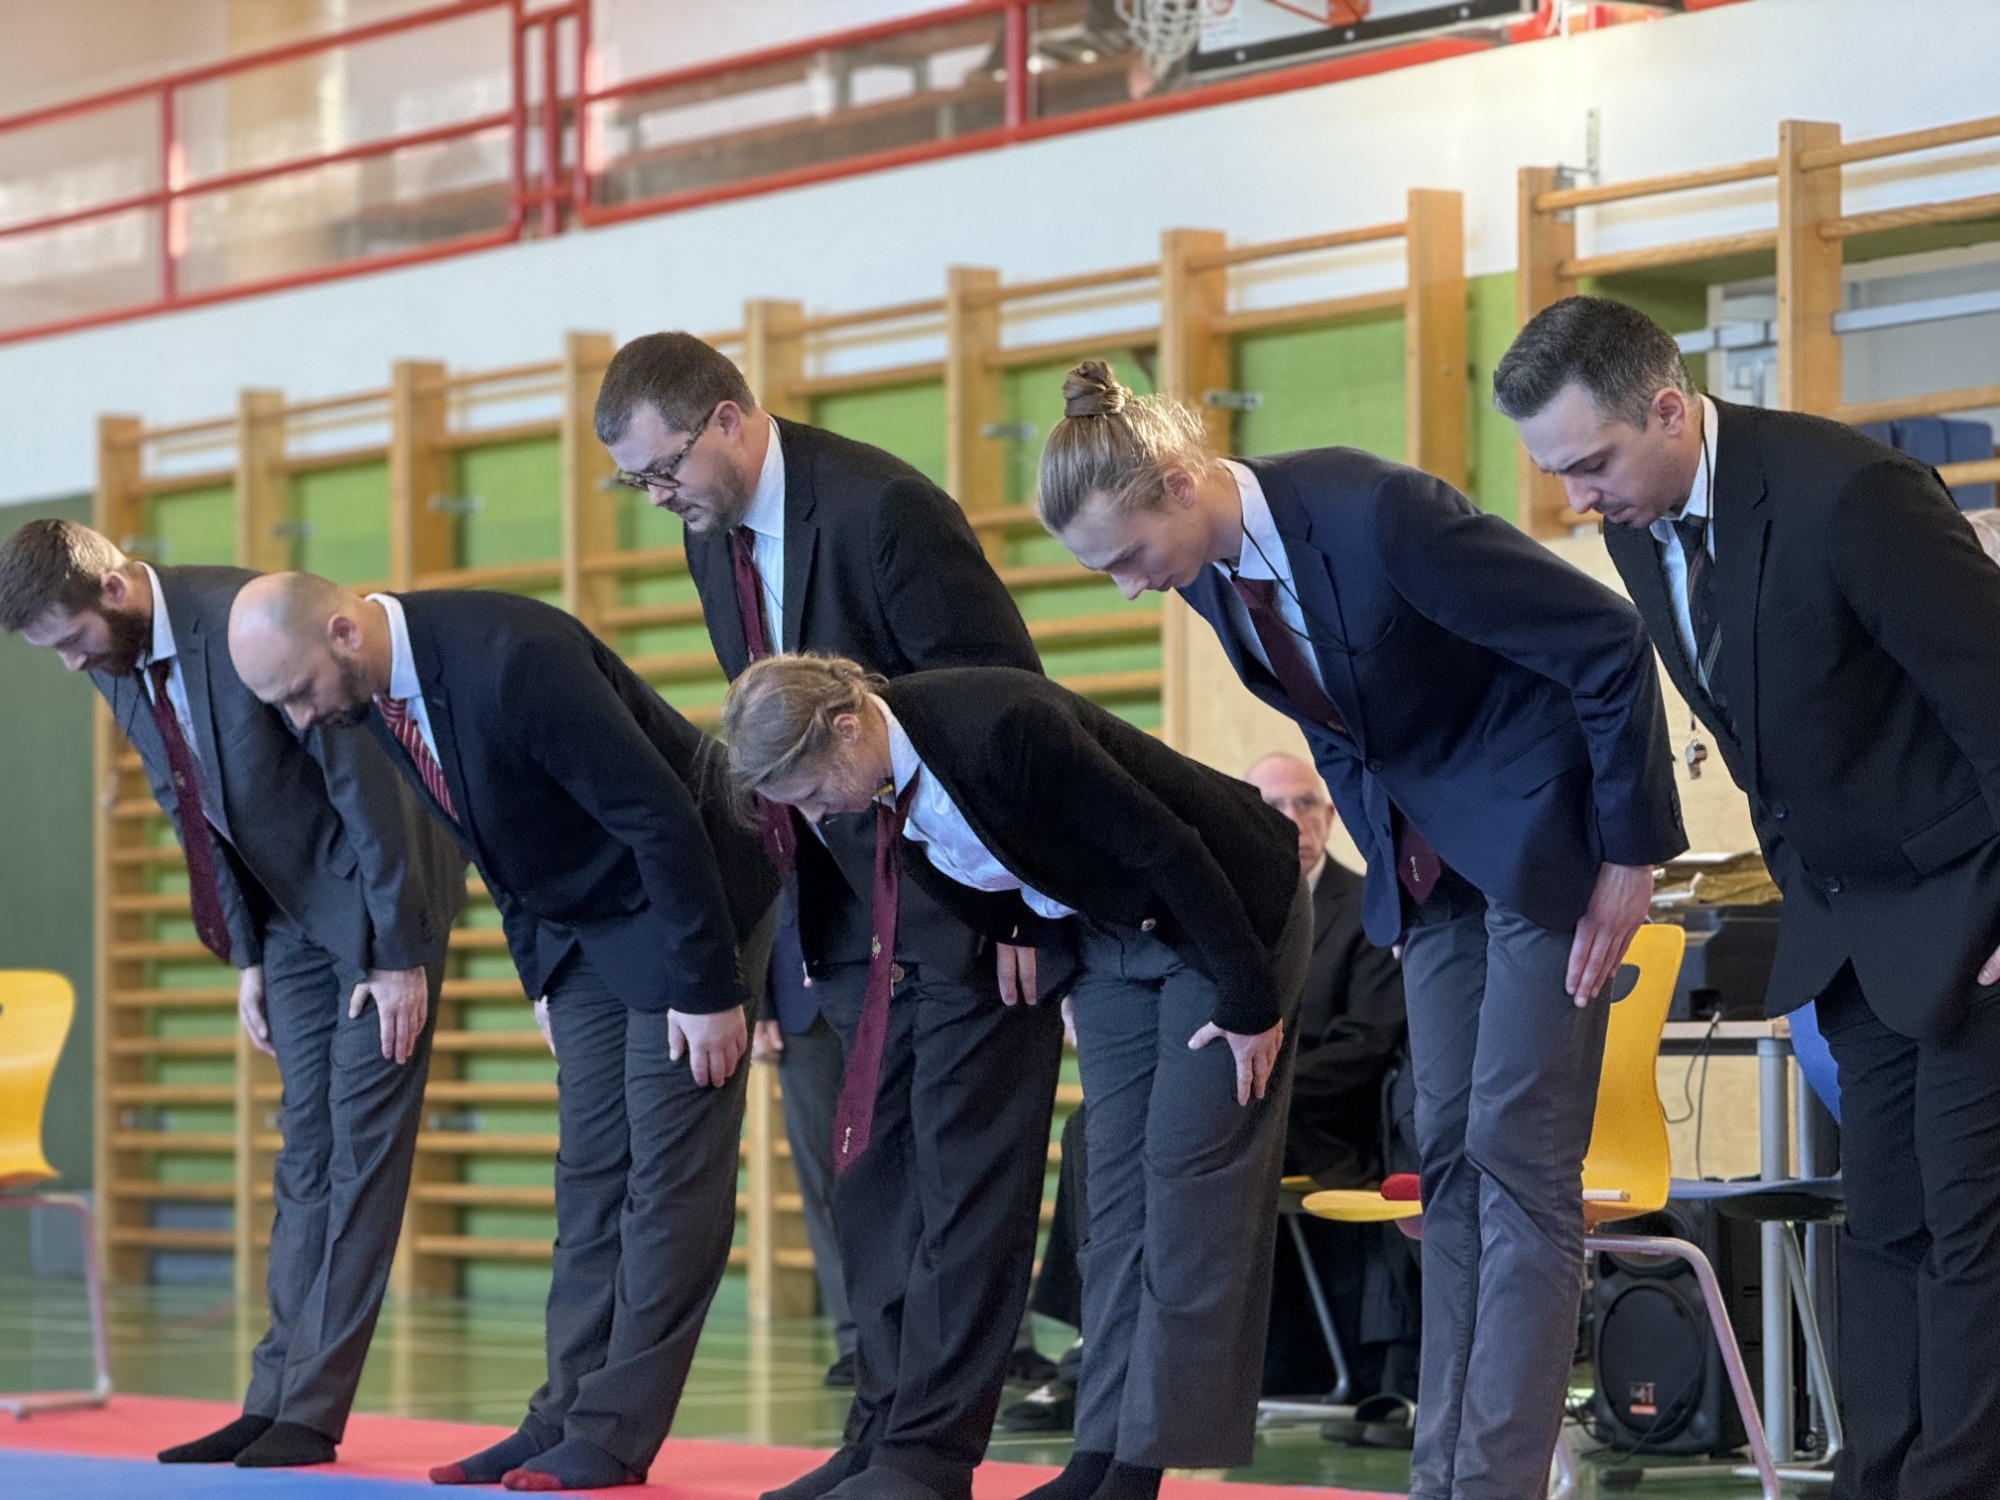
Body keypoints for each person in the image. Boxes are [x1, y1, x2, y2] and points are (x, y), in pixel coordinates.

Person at [1035, 362, 1686, 1500]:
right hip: (1432, 880)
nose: (1132, 588)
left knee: (1517, 1162)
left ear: (1180, 482)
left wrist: (1628, 855)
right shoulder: (1205, 572)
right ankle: (1441, 1476)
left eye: (1128, 556)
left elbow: (1606, 640)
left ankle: (1493, 1484)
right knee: (1445, 1162)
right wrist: (1388, 877)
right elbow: (1337, 731)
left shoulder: (1374, 509)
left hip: (1545, 846)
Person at [1495, 293, 2000, 1500]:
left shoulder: (1851, 495)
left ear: (1668, 409)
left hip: (1970, 907)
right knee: (1881, 1230)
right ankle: (1877, 1478)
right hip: (1850, 930)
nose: (1576, 498)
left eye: (1589, 463)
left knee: (1973, 1235)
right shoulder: (1639, 522)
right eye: (1555, 473)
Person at [595, 332, 1067, 1500]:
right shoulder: (710, 536)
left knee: (963, 1193)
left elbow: (1008, 713)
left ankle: (927, 1459)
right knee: (874, 1189)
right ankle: (876, 1434)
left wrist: (1026, 910)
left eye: (663, 471)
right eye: (634, 484)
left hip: (967, 905)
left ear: (726, 418)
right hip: (843, 921)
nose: (657, 499)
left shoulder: (882, 510)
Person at [225, 572, 776, 1493]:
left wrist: (711, 986)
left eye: (297, 691)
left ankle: (612, 1432)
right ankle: (559, 1413)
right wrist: (541, 981)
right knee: (590, 1173)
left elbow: (660, 815)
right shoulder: (371, 695)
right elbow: (485, 837)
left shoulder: (514, 657)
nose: (299, 717)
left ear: (343, 633)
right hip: (580, 930)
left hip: (688, 905)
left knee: (668, 1178)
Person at [720, 655, 1312, 1500]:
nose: (819, 816)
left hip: (1226, 922)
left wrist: (1250, 996)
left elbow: (1171, 847)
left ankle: (1140, 1469)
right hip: (1110, 932)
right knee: (1112, 1198)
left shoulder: (999, 728)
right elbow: (981, 884)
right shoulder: (882, 784)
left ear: (846, 730)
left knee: (1186, 1190)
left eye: (813, 793)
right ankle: (1096, 1453)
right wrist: (1030, 935)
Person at [0, 521, 464, 1471]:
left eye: (72, 640)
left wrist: (398, 953)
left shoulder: (247, 618)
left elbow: (371, 783)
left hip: (378, 903)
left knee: (360, 1150)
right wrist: (247, 952)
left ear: (116, 588)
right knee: (307, 1153)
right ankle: (271, 1397)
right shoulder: (113, 657)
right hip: (286, 918)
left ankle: (312, 1411)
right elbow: (187, 801)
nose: (71, 663)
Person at [753, 890, 859, 1386]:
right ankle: (856, 1339)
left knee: (928, 1160)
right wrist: (757, 1001)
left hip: (893, 978)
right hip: (798, 999)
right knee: (824, 1177)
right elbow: (747, 885)